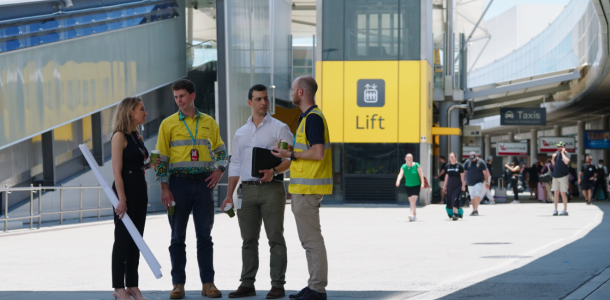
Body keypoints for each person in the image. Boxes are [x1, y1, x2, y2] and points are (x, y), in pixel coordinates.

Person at [155, 79, 228, 299]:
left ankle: (208, 283)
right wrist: (164, 188)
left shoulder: (209, 122)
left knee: (204, 236)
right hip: (178, 185)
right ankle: (178, 284)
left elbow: (221, 151)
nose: (179, 101)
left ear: (193, 96)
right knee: (177, 237)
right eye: (176, 97)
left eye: (182, 96)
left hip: (204, 184)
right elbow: (161, 160)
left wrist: (219, 170)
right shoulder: (167, 124)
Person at [220, 84, 294, 299]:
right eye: (258, 99)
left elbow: (289, 158)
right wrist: (229, 195)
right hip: (247, 191)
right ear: (249, 102)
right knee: (248, 240)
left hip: (272, 189)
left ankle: (277, 285)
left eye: (265, 99)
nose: (263, 103)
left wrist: (273, 171)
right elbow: (235, 164)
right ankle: (247, 284)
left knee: (275, 238)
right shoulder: (241, 133)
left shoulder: (280, 128)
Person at [272, 76, 331, 300]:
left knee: (312, 240)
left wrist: (291, 154)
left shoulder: (313, 118)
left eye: (293, 89)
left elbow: (317, 153)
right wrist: (289, 153)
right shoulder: (307, 118)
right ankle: (314, 285)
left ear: (300, 93)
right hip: (303, 189)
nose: (291, 93)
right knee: (309, 240)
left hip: (308, 190)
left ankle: (317, 288)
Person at [110, 97, 159, 300]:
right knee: (122, 241)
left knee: (136, 240)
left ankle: (133, 285)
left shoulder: (136, 136)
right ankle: (118, 287)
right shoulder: (119, 136)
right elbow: (117, 171)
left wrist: (150, 165)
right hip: (126, 190)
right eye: (142, 109)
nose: (145, 113)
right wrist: (121, 199)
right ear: (131, 112)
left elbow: (137, 164)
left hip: (139, 189)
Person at [395, 153, 425, 221]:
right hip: (408, 186)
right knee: (412, 202)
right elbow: (400, 174)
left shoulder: (416, 165)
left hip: (416, 185)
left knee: (412, 200)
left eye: (410, 157)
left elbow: (421, 174)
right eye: (408, 157)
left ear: (412, 158)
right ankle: (414, 216)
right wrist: (398, 181)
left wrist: (422, 183)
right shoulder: (403, 166)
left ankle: (411, 214)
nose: (409, 158)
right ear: (405, 159)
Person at [463, 151, 489, 216]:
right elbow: (464, 172)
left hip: (479, 181)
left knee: (477, 194)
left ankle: (476, 210)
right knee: (472, 196)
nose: (472, 160)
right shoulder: (467, 162)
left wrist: (487, 182)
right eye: (471, 159)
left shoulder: (481, 162)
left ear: (476, 156)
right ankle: (473, 209)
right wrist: (463, 181)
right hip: (470, 182)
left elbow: (485, 173)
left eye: (473, 159)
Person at [443, 152, 466, 221]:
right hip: (450, 185)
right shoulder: (447, 166)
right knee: (450, 199)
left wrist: (463, 185)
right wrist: (444, 186)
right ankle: (459, 213)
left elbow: (462, 176)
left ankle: (455, 214)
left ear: (455, 157)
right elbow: (446, 176)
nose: (451, 158)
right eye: (450, 157)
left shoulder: (459, 165)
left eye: (453, 157)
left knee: (454, 198)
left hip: (458, 185)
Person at [551, 141, 570, 216]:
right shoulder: (556, 154)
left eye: (559, 146)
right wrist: (553, 158)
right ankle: (555, 209)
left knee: (563, 193)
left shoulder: (567, 154)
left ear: (563, 147)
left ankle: (565, 210)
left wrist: (562, 153)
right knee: (555, 192)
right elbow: (553, 164)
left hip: (563, 176)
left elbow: (566, 162)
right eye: (557, 147)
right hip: (555, 176)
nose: (558, 148)